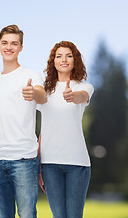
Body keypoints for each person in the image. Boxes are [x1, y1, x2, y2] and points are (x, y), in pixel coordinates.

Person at [0, 24, 47, 218]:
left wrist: (34, 92)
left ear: (21, 47)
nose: (9, 47)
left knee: (27, 214)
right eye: (5, 43)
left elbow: (43, 97)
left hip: (24, 160)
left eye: (14, 43)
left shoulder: (31, 76)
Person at [38, 41, 94, 218]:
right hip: (50, 164)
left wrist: (72, 96)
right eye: (59, 56)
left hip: (77, 164)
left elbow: (82, 97)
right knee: (58, 215)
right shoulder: (45, 92)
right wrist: (38, 164)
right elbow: (43, 130)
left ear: (75, 60)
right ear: (53, 61)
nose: (64, 59)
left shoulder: (83, 87)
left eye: (69, 56)